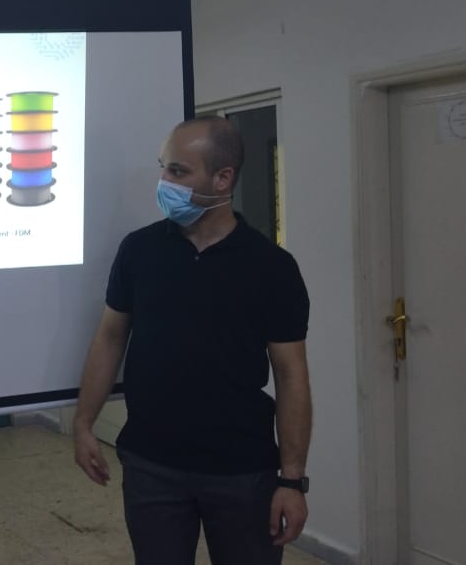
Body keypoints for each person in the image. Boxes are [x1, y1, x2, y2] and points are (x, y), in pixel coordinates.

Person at [73, 116, 312, 564]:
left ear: (223, 179)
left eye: (178, 171)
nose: (164, 181)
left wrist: (292, 479)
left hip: (242, 470)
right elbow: (110, 338)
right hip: (151, 464)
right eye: (164, 168)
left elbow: (291, 374)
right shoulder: (139, 250)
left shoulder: (271, 267)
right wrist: (84, 423)